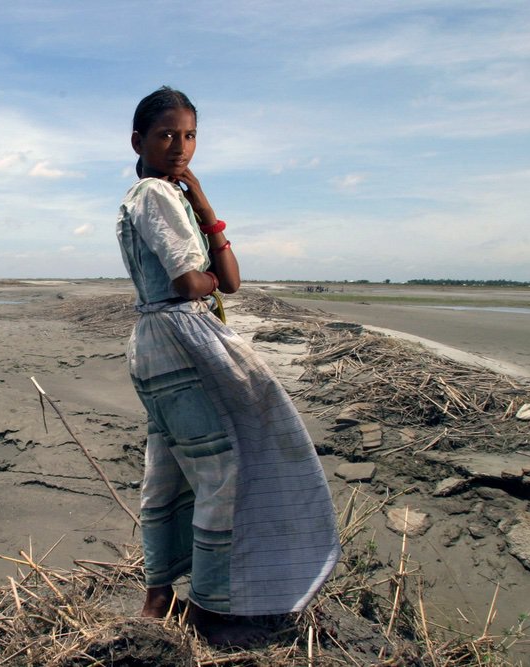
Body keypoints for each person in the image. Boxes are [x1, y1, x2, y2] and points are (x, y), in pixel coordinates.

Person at [116, 86, 340, 646]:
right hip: (181, 336)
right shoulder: (154, 196)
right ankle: (210, 606)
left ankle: (158, 594)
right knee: (225, 468)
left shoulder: (165, 195)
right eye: (166, 134)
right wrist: (205, 267)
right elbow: (196, 282)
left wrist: (206, 206)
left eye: (189, 136)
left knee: (168, 468)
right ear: (138, 140)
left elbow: (230, 281)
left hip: (155, 342)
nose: (180, 147)